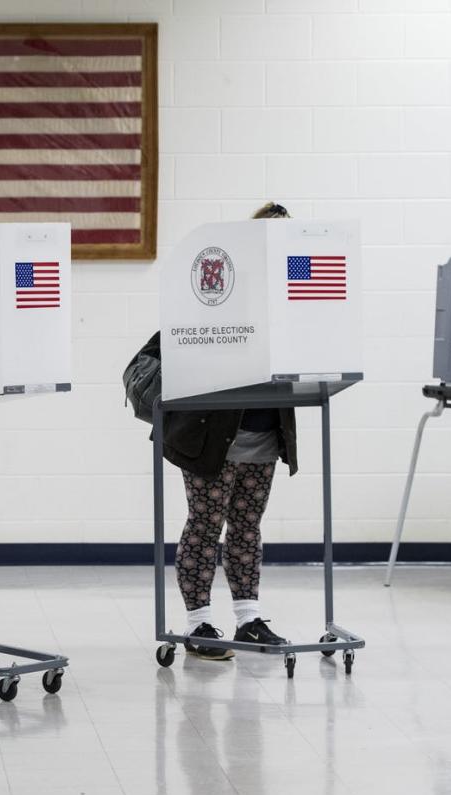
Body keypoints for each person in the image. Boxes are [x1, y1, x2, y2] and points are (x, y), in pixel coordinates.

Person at [166, 201, 298, 659]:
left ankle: (247, 619)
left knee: (246, 527)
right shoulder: (221, 288)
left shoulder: (291, 294)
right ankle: (198, 623)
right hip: (212, 434)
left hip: (265, 429)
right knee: (205, 524)